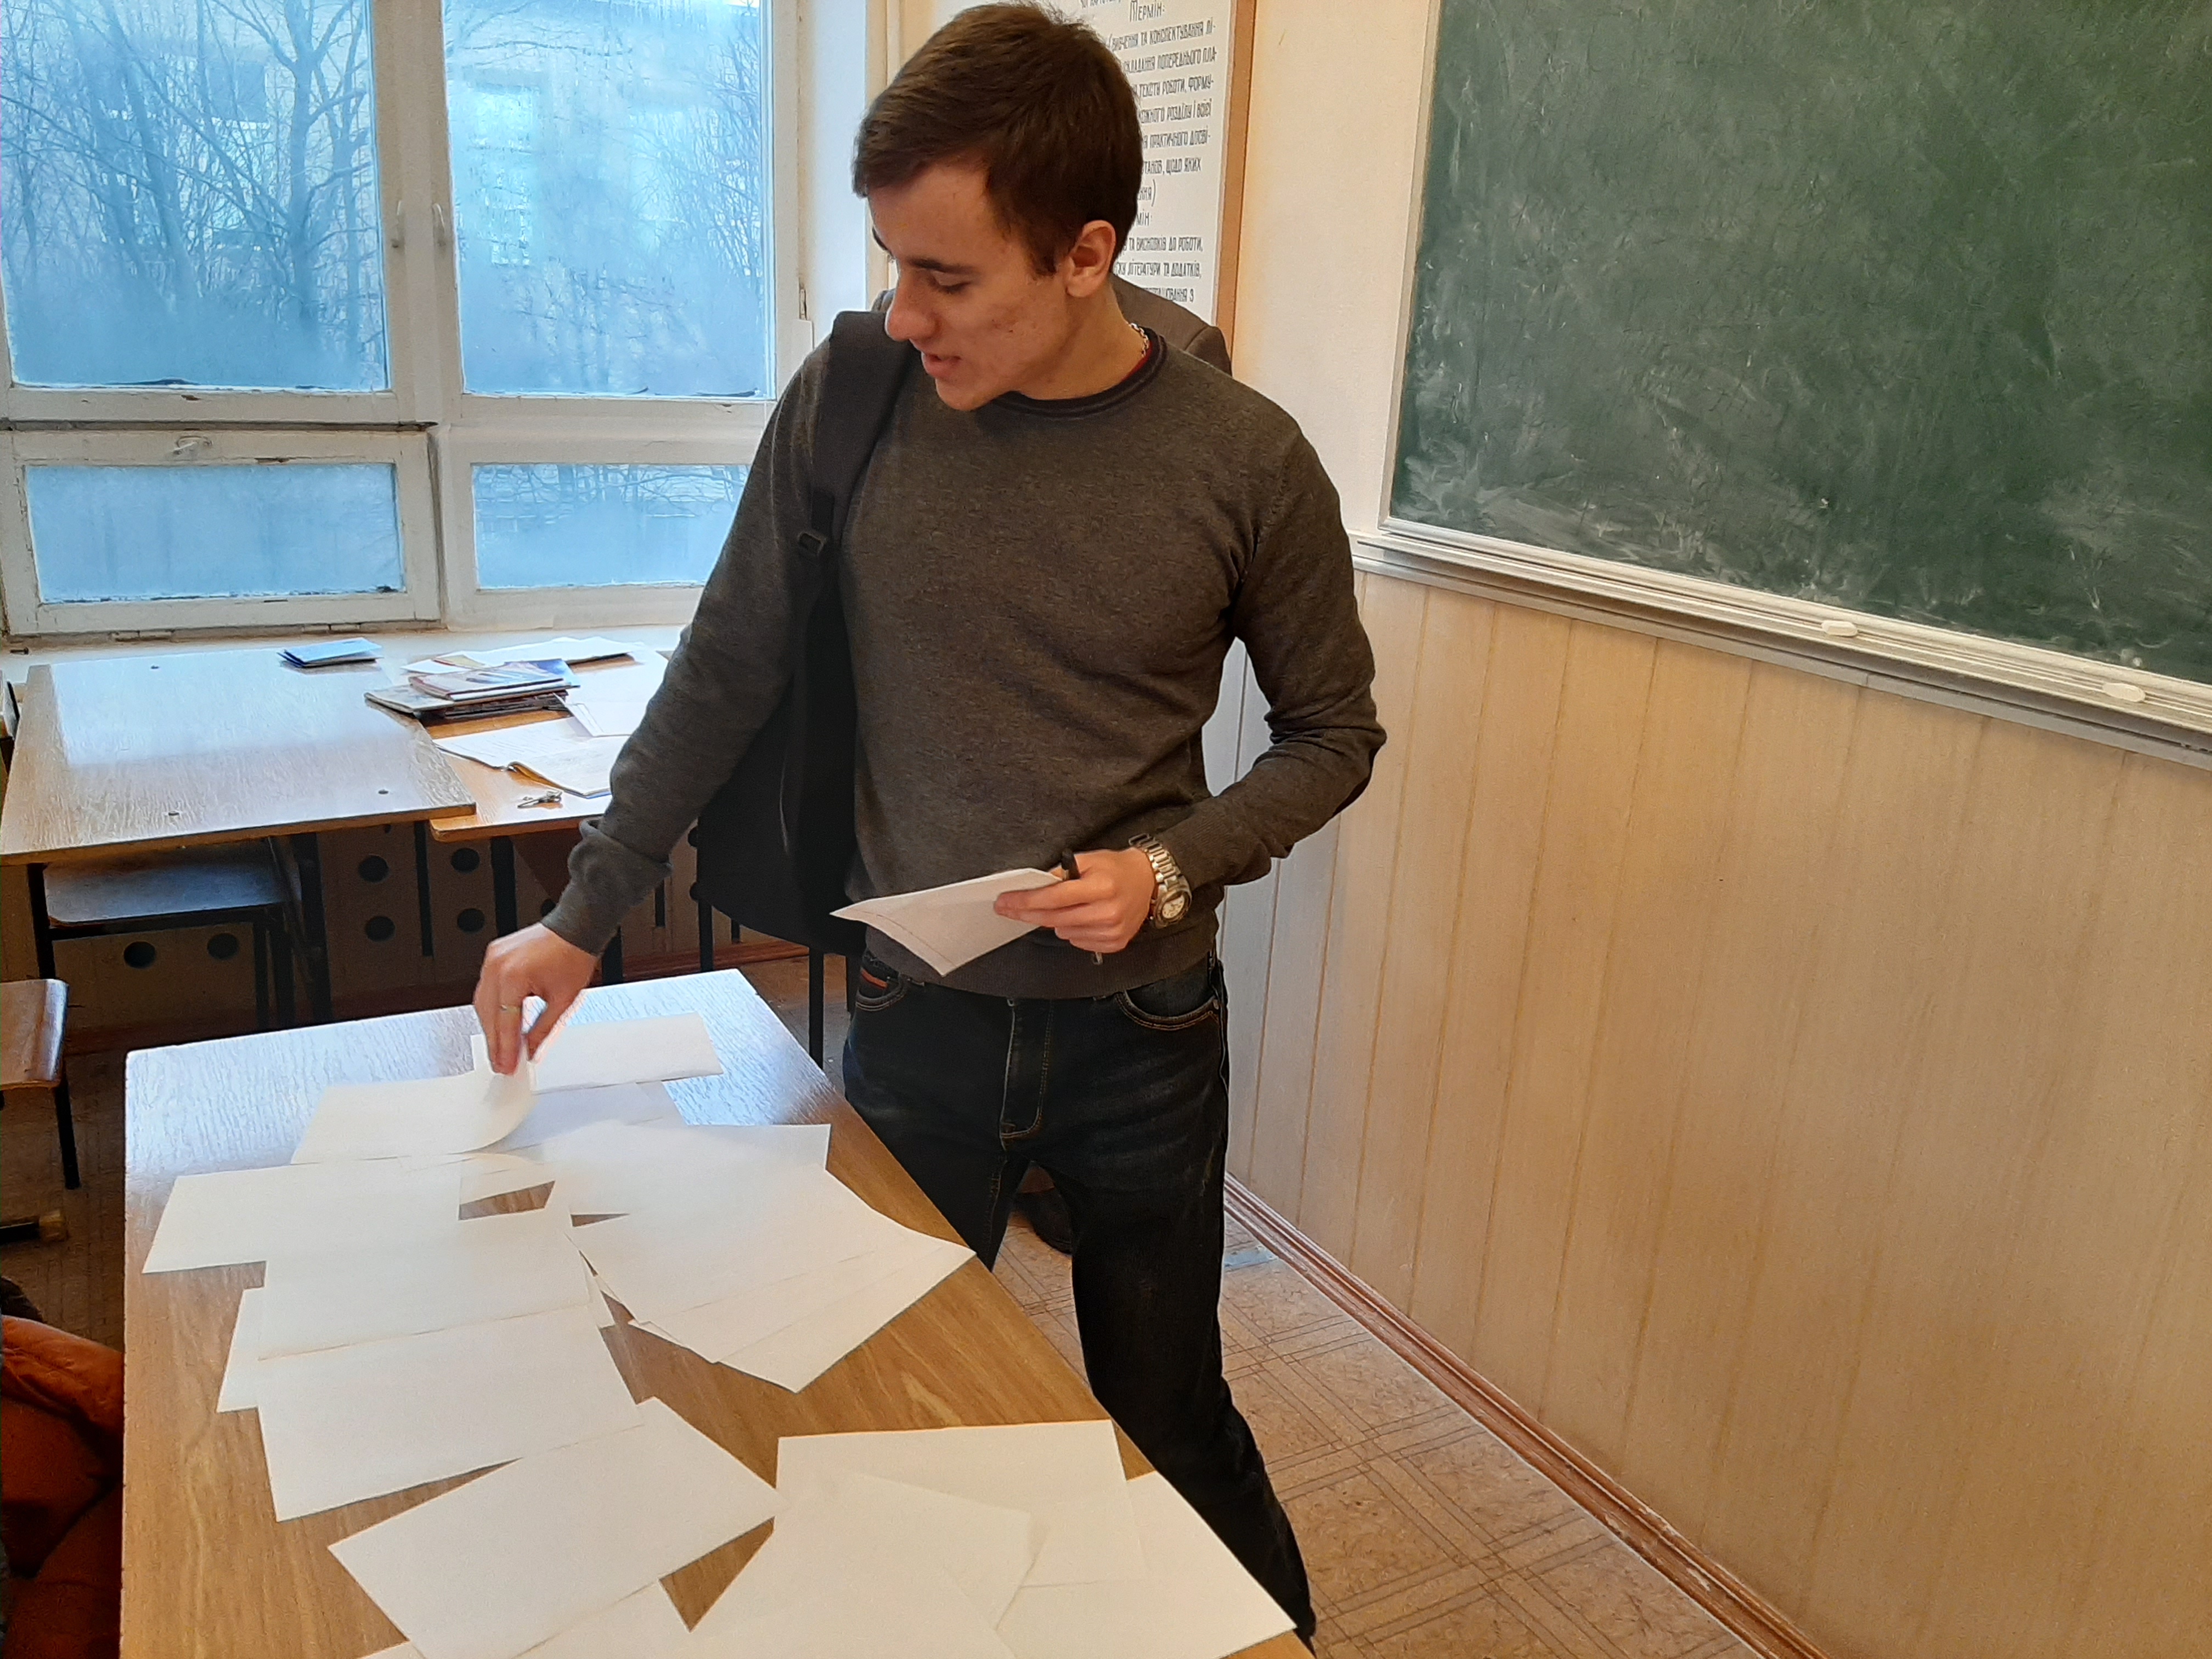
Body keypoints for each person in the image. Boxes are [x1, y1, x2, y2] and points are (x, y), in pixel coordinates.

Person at [473, 5, 1381, 1640]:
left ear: (1087, 255)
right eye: (892, 264)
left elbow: (1335, 735)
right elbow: (726, 667)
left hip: (1145, 1036)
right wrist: (579, 916)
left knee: (1169, 1419)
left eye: (948, 278)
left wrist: (1171, 868)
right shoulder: (853, 400)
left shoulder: (1246, 463)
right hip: (913, 1015)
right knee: (877, 1396)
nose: (905, 314)